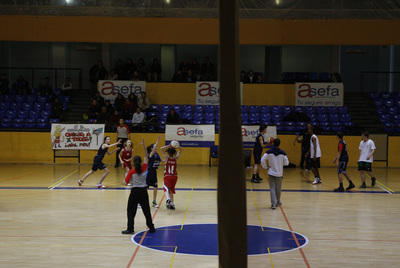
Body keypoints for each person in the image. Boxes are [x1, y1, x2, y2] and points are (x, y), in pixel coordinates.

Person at [122, 138, 156, 235]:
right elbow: (146, 156)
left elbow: (125, 182)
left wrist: (123, 181)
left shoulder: (132, 172)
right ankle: (151, 227)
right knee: (146, 210)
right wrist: (144, 146)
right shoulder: (144, 168)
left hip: (135, 192)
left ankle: (130, 229)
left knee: (131, 210)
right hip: (143, 192)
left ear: (134, 162)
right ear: (141, 162)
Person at [261, 138, 289, 209]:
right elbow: (286, 163)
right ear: (279, 144)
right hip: (279, 173)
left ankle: (273, 204)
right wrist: (280, 164)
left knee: (272, 188)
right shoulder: (283, 153)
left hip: (271, 173)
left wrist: (266, 167)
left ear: (273, 143)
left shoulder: (268, 152)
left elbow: (262, 160)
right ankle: (278, 201)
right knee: (278, 188)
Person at [160, 143, 182, 210]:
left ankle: (168, 198)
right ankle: (172, 204)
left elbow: (161, 149)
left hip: (167, 176)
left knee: (165, 188)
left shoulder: (166, 158)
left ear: (168, 152)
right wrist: (177, 146)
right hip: (174, 177)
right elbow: (180, 150)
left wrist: (169, 145)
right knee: (171, 189)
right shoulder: (176, 159)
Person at [146, 135, 163, 208]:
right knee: (146, 188)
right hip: (149, 172)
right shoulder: (151, 154)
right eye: (155, 146)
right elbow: (152, 151)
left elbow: (162, 160)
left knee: (155, 187)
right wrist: (158, 141)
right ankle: (140, 202)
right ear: (152, 148)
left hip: (154, 172)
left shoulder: (157, 154)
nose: (156, 148)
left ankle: (154, 201)